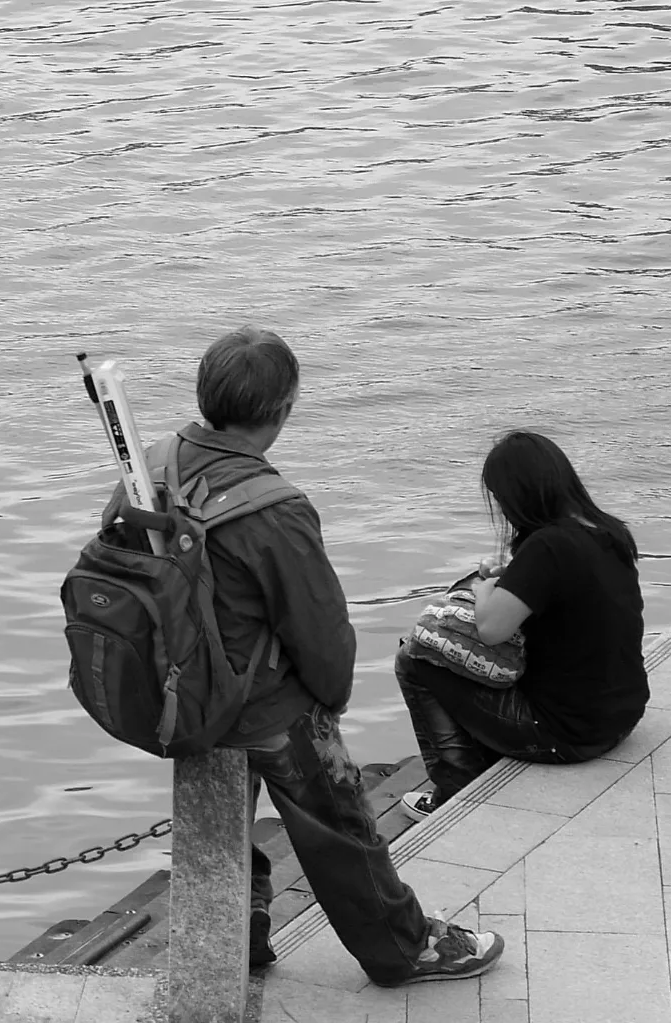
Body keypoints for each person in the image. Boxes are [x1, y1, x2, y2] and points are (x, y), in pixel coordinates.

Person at [107, 328, 504, 986]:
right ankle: (404, 948)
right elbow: (320, 631)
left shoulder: (146, 469)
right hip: (265, 701)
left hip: (179, 691)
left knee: (219, 826)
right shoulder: (277, 510)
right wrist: (328, 702)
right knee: (342, 824)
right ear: (284, 409)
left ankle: (240, 928)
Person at [395, 430, 649, 819]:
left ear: (519, 495)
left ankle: (455, 788)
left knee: (414, 659)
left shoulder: (547, 547)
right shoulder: (609, 533)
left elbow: (492, 628)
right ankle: (484, 752)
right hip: (621, 716)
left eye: (499, 498)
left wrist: (485, 587)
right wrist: (512, 577)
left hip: (565, 735)